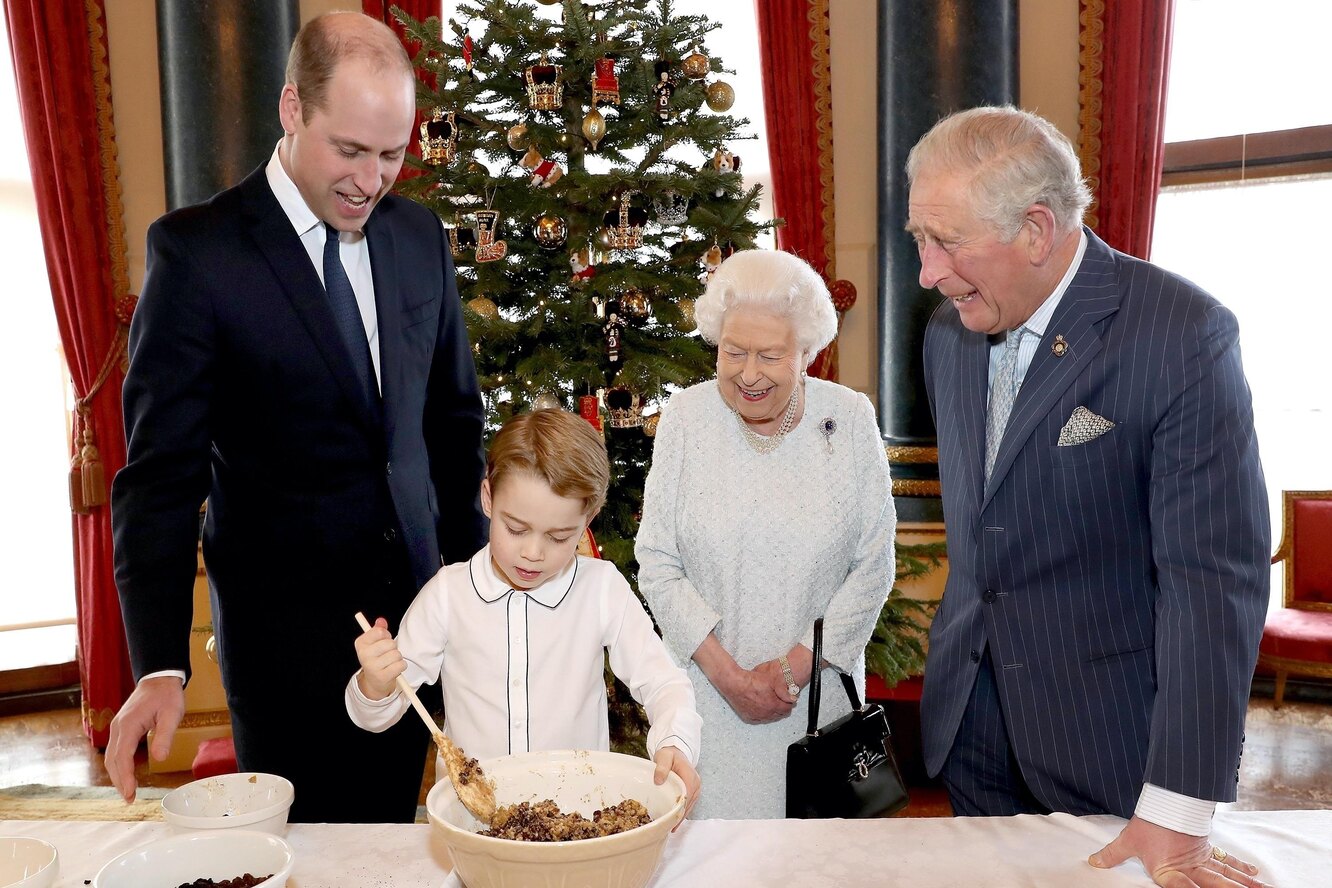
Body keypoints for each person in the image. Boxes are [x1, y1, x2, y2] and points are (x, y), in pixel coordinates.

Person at [106, 12, 487, 823]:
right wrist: (159, 664)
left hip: (418, 625)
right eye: (348, 150)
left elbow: (453, 427)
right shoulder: (198, 255)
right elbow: (160, 479)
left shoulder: (419, 237)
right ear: (291, 109)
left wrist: (480, 591)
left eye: (391, 155)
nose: (371, 179)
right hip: (288, 653)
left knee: (393, 847)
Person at [907, 106, 1270, 886]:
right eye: (918, 240)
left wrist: (1177, 809)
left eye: (945, 243)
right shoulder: (948, 333)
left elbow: (1212, 585)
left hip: (1109, 743)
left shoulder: (1182, 334)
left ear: (1036, 230)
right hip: (971, 718)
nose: (927, 273)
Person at [635, 249, 897, 819]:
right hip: (705, 703)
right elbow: (655, 559)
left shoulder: (849, 419)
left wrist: (790, 670)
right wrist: (728, 676)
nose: (749, 374)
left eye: (770, 356)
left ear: (807, 353)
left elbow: (873, 563)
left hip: (816, 709)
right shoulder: (685, 419)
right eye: (734, 353)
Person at [346, 409, 702, 813]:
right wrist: (375, 684)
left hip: (576, 819)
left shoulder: (601, 589)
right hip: (473, 824)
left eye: (558, 536)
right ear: (487, 499)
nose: (533, 553)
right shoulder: (448, 593)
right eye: (515, 529)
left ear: (587, 520)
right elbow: (376, 715)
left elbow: (665, 683)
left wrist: (675, 740)